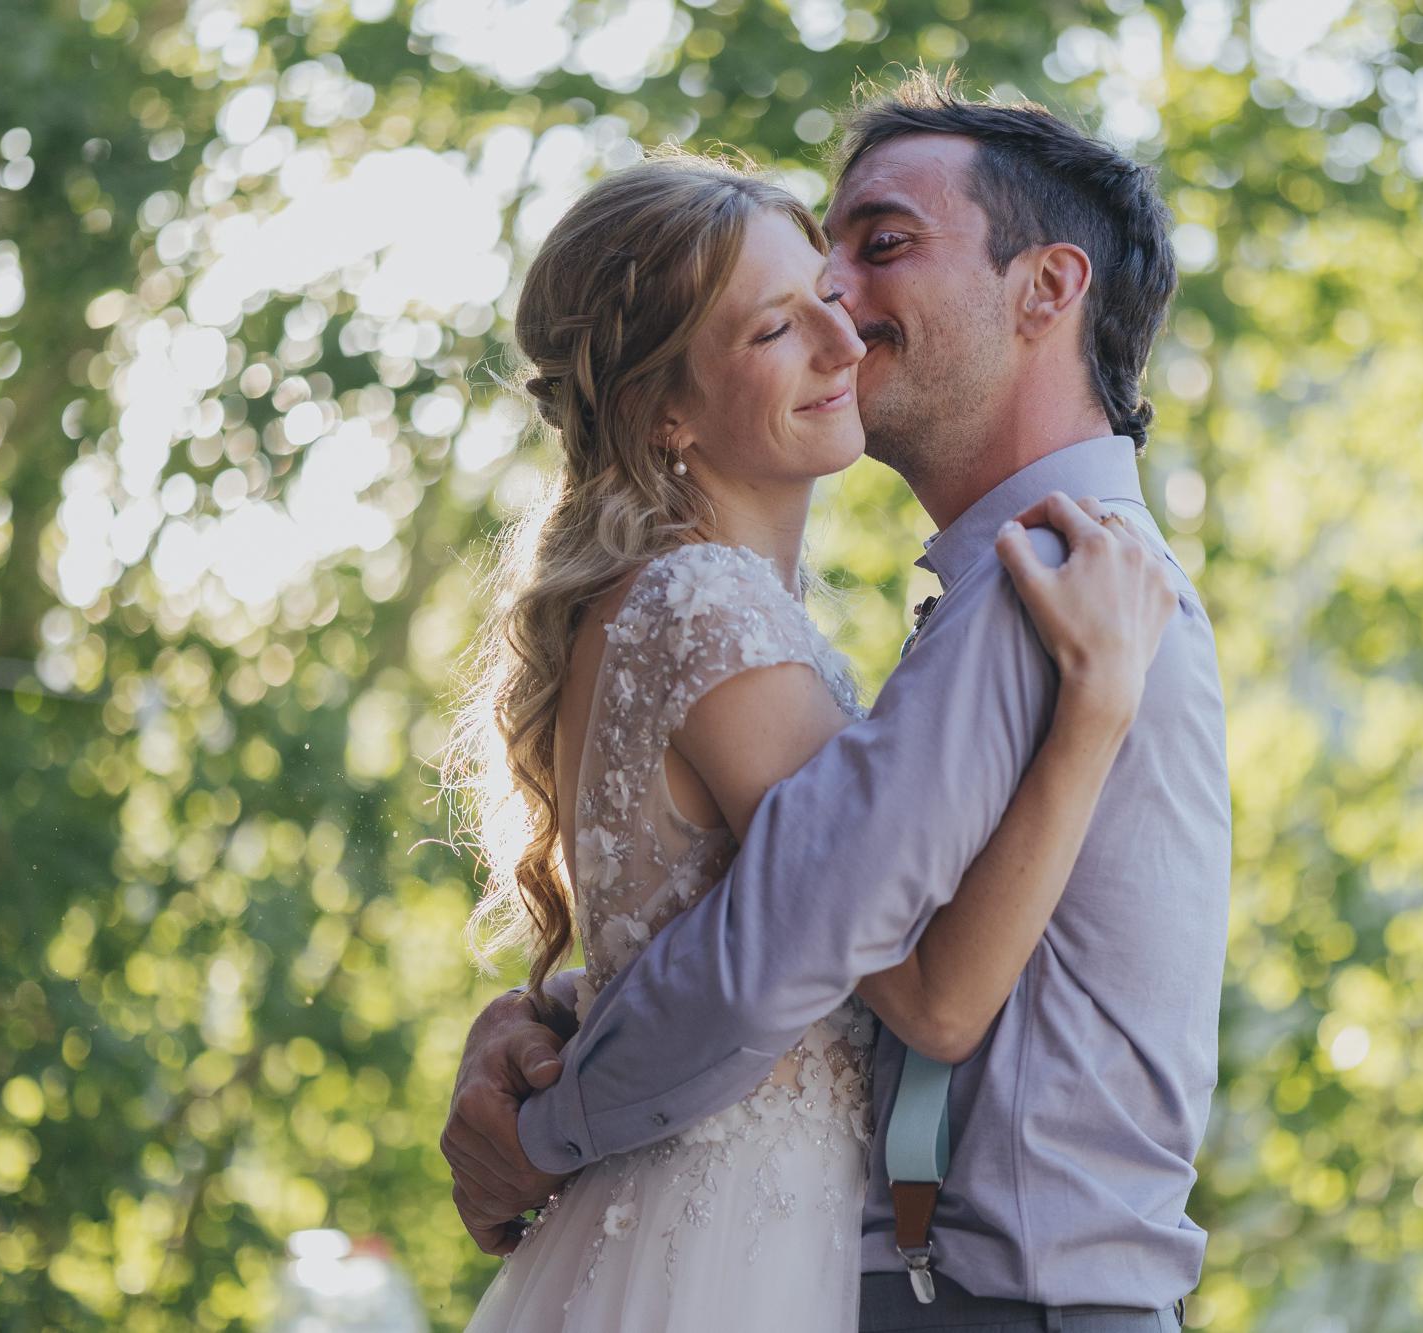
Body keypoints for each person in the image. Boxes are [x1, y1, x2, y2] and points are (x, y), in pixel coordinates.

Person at [443, 74, 1231, 1332]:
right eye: (811, 288)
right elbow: (792, 923)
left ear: (1046, 289)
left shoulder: (1056, 581)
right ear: (668, 410)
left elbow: (792, 964)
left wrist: (544, 1126)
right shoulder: (1001, 585)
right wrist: (552, 1014)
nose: (844, 313)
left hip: (1002, 1303)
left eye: (880, 249)